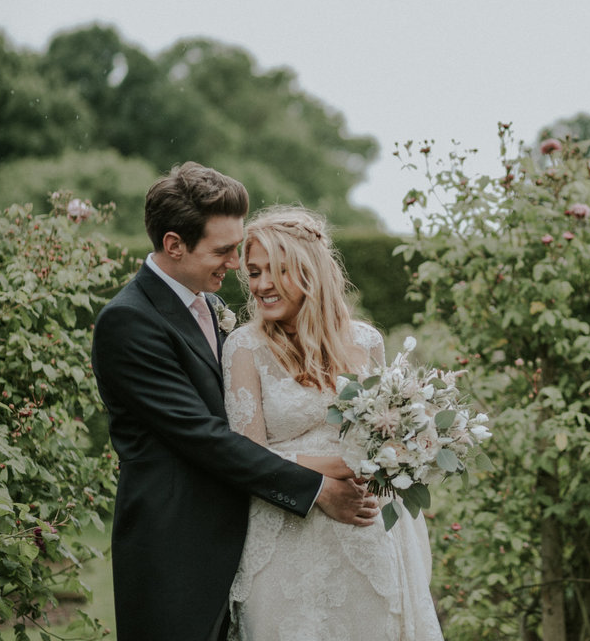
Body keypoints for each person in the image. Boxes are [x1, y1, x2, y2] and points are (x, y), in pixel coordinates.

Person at [91, 163, 378, 641]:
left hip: (249, 538)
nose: (235, 263)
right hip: (177, 547)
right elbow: (202, 436)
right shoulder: (129, 322)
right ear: (174, 245)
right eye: (223, 250)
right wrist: (316, 487)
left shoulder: (209, 304)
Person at [222, 205, 443, 640]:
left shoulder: (365, 341)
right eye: (254, 272)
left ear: (311, 272)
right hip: (285, 539)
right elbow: (245, 456)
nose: (262, 284)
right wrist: (344, 465)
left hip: (364, 534)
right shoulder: (243, 347)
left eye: (278, 270)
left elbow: (389, 439)